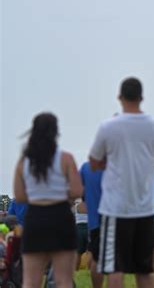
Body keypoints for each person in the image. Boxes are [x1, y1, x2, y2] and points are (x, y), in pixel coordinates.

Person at [89, 77, 154, 288]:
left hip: (116, 209)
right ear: (142, 97)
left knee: (115, 269)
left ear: (120, 97)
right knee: (144, 271)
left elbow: (94, 162)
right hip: (146, 209)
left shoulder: (108, 127)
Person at [13, 112, 83, 288]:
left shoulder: (24, 161)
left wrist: (38, 194)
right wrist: (59, 194)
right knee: (63, 280)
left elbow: (19, 195)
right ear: (55, 132)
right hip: (60, 217)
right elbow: (77, 190)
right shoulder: (65, 158)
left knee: (30, 281)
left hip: (35, 217)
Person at [79, 161, 104, 288]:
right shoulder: (122, 164)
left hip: (96, 222)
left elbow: (79, 191)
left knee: (96, 258)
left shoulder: (86, 167)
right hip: (119, 219)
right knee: (117, 262)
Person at [73, 198, 88, 270]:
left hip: (79, 229)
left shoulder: (77, 204)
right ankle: (89, 270)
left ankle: (76, 270)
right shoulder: (91, 204)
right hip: (89, 228)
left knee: (78, 252)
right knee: (90, 252)